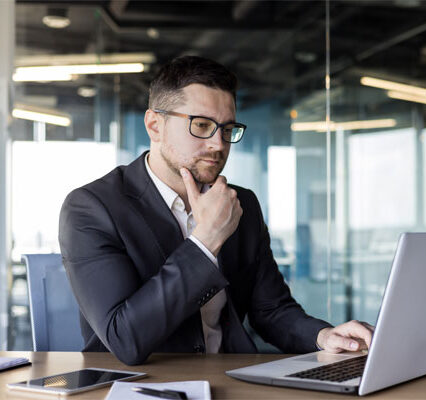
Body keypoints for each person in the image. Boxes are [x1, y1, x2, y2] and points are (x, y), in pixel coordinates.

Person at [59, 56, 373, 366]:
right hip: (139, 387)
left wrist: (324, 336)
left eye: (226, 129)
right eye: (202, 125)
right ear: (155, 125)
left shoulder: (241, 204)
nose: (218, 144)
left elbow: (271, 310)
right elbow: (124, 339)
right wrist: (205, 242)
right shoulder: (92, 208)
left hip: (230, 378)